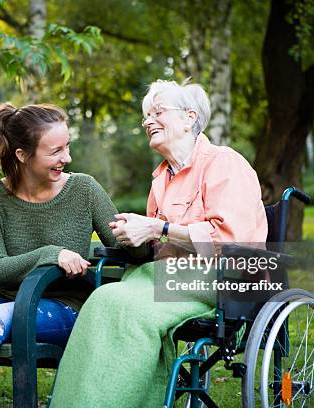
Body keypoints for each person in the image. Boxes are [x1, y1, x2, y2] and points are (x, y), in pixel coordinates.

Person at [49, 79, 268, 407]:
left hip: (222, 279)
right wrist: (136, 234)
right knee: (101, 301)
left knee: (131, 311)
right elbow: (158, 240)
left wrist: (159, 227)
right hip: (164, 276)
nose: (148, 121)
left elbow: (229, 240)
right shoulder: (161, 179)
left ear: (189, 118)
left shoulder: (224, 163)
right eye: (146, 116)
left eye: (158, 112)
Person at [0, 103, 122, 408]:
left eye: (67, 147)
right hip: (4, 299)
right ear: (22, 155)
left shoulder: (84, 188)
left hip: (66, 307)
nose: (66, 158)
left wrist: (148, 232)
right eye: (55, 151)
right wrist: (51, 253)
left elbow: (123, 246)